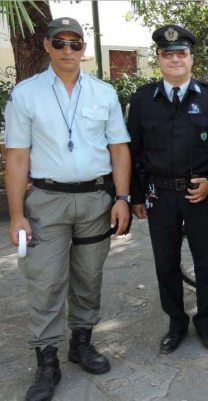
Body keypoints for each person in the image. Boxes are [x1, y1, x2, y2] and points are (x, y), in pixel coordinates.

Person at [4, 17, 131, 401]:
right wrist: (16, 214)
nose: (67, 50)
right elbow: (16, 157)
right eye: (59, 42)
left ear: (83, 49)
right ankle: (46, 360)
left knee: (89, 277)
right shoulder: (26, 94)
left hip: (95, 199)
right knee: (45, 281)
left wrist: (122, 198)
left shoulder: (103, 93)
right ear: (47, 46)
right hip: (46, 201)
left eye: (75, 43)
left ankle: (81, 342)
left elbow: (119, 149)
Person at [127, 25, 208, 355]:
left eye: (181, 53)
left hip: (201, 193)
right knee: (165, 263)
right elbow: (133, 151)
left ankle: (206, 323)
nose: (175, 59)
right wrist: (136, 195)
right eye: (168, 54)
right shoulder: (143, 100)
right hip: (160, 195)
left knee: (206, 263)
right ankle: (176, 323)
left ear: (191, 58)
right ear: (158, 58)